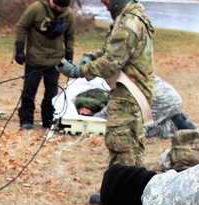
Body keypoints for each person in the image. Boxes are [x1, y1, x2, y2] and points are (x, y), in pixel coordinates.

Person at [58, 0, 153, 166]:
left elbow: (111, 63)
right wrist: (91, 56)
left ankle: (124, 190)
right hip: (130, 93)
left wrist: (78, 71)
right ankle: (131, 189)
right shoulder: (128, 16)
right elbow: (111, 48)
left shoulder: (128, 23)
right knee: (131, 146)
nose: (103, 2)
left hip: (129, 95)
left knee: (122, 148)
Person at [14, 0, 76, 131]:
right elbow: (21, 26)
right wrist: (19, 49)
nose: (64, 10)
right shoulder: (36, 8)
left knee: (52, 93)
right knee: (29, 90)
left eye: (66, 7)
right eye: (61, 7)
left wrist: (69, 54)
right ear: (53, 3)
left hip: (55, 60)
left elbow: (70, 36)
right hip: (35, 58)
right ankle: (26, 119)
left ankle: (48, 119)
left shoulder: (68, 15)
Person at [91, 75, 194, 139]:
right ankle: (176, 121)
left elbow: (111, 110)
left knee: (137, 131)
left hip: (162, 101)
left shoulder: (120, 84)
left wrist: (92, 120)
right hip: (170, 97)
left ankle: (175, 125)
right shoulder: (132, 71)